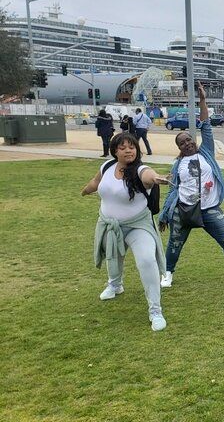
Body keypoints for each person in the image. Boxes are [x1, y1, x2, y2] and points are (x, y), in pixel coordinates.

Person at [158, 82, 224, 288]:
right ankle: (167, 274)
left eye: (189, 139)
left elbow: (206, 127)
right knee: (174, 244)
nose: (187, 143)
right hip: (183, 210)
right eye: (182, 142)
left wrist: (202, 100)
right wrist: (165, 215)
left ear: (193, 140)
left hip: (209, 209)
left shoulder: (205, 152)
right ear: (179, 147)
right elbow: (173, 191)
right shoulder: (178, 165)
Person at [81, 132, 169, 331]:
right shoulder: (107, 166)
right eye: (123, 147)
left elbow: (148, 175)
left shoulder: (140, 170)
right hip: (110, 225)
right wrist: (86, 190)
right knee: (114, 257)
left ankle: (155, 311)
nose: (128, 150)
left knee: (147, 260)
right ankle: (115, 284)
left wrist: (156, 178)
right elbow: (96, 183)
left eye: (132, 146)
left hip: (138, 226)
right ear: (114, 151)